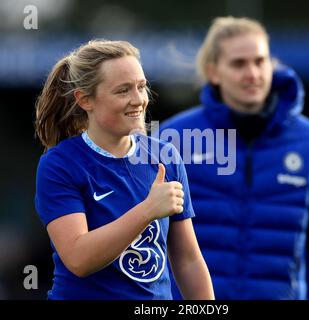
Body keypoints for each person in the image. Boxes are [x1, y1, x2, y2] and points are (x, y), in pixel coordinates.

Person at [160, 17, 309, 299]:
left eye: (260, 61)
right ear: (213, 73)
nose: (252, 73)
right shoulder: (173, 138)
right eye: (238, 64)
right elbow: (148, 237)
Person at [34, 39, 214, 300]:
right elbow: (79, 258)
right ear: (85, 100)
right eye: (123, 91)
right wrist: (147, 210)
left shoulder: (165, 156)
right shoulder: (60, 164)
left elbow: (187, 259)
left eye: (141, 87)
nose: (138, 100)